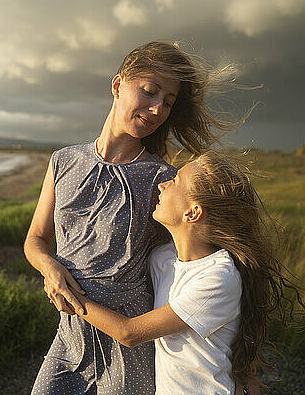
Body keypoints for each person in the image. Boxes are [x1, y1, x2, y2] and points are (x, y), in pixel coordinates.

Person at [24, 42, 239, 395]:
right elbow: (35, 239)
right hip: (69, 337)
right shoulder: (62, 161)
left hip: (129, 349)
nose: (157, 109)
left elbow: (206, 258)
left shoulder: (164, 181)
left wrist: (241, 361)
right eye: (150, 91)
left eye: (168, 102)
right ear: (117, 84)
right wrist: (50, 269)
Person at [63, 150, 304, 394]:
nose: (163, 185)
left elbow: (129, 333)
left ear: (192, 213)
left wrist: (68, 295)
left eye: (175, 181)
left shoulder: (218, 277)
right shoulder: (162, 259)